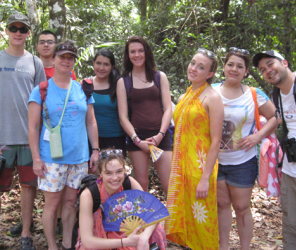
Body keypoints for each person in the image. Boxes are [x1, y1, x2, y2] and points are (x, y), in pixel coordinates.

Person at [28, 40, 99, 250]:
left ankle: (67, 243)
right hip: (51, 159)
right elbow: (32, 127)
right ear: (53, 59)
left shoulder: (83, 90)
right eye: (62, 57)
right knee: (51, 206)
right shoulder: (41, 90)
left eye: (70, 58)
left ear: (74, 62)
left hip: (78, 158)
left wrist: (95, 150)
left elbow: (91, 121)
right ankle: (52, 246)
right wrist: (36, 159)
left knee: (70, 203)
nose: (66, 61)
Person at [213, 47, 278, 250]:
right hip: (214, 161)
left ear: (246, 71)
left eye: (240, 66)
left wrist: (258, 136)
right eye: (230, 64)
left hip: (242, 161)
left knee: (241, 207)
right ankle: (223, 246)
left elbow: (275, 117)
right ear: (223, 67)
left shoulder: (253, 94)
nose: (234, 69)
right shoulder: (210, 91)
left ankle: (244, 247)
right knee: (222, 205)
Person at [165, 48, 223, 249]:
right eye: (192, 63)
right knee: (187, 216)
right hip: (181, 167)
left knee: (203, 219)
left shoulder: (212, 98)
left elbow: (216, 141)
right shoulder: (184, 97)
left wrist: (206, 177)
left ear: (209, 74)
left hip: (200, 169)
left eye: (201, 67)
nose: (194, 69)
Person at [0, 13, 46, 249]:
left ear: (28, 33)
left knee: (29, 186)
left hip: (29, 138)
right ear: (7, 30)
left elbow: (40, 100)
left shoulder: (35, 63)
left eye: (23, 29)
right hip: (2, 138)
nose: (18, 32)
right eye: (13, 28)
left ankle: (26, 233)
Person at [76, 149, 167, 250]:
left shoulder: (129, 183)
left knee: (156, 229)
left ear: (124, 170)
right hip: (100, 237)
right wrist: (125, 242)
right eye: (108, 173)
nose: (115, 178)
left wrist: (144, 237)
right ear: (100, 174)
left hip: (127, 232)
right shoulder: (89, 195)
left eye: (119, 171)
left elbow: (153, 212)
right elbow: (87, 241)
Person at [117, 36, 172, 194]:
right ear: (128, 55)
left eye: (140, 51)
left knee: (169, 184)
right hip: (138, 139)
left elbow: (168, 108)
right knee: (142, 185)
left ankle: (172, 219)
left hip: (161, 136)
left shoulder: (159, 77)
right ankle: (145, 219)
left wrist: (161, 134)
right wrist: (137, 140)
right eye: (132, 52)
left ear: (146, 52)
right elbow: (123, 117)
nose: (137, 55)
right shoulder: (124, 82)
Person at [253, 50, 296, 250]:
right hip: (289, 169)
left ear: (284, 63)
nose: (268, 71)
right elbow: (276, 120)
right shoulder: (277, 95)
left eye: (271, 64)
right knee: (290, 223)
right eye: (263, 69)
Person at [84, 49, 126, 157]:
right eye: (98, 63)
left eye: (106, 64)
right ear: (93, 63)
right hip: (91, 140)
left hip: (115, 139)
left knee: (114, 172)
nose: (101, 68)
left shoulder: (119, 84)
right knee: (94, 173)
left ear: (112, 67)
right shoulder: (85, 84)